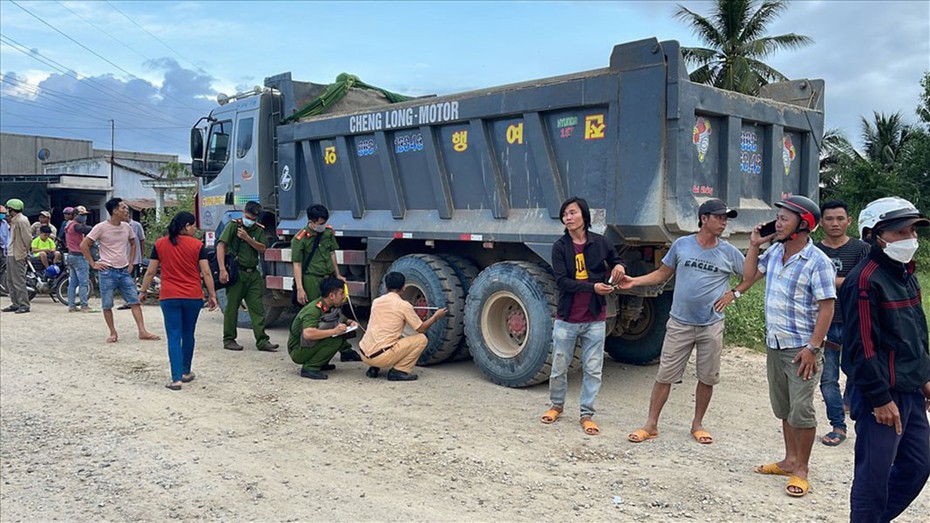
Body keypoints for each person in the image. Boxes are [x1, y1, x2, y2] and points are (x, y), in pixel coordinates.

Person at [619, 198, 746, 445]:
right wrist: (634, 281)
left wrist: (735, 293)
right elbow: (662, 274)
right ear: (704, 219)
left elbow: (752, 274)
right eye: (719, 217)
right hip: (680, 323)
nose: (723, 222)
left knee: (707, 377)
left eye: (725, 218)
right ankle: (651, 424)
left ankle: (697, 425)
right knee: (664, 375)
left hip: (711, 324)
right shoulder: (681, 245)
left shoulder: (729, 252)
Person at [842, 197, 930, 522]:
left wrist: (924, 377)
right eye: (899, 231)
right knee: (873, 479)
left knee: (918, 464)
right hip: (880, 396)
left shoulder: (906, 274)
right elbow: (862, 349)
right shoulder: (864, 281)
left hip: (910, 391)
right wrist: (879, 398)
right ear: (873, 236)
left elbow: (916, 333)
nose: (910, 238)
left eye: (912, 230)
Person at [742, 195, 836, 498]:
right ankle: (788, 459)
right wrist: (755, 245)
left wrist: (813, 347)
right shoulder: (775, 253)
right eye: (778, 217)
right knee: (783, 408)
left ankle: (801, 469)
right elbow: (748, 277)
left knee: (802, 411)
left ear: (804, 224)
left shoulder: (817, 261)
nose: (778, 223)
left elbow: (827, 308)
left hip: (801, 349)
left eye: (784, 218)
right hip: (775, 344)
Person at [540, 196, 626, 436]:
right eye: (565, 214)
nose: (568, 218)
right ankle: (557, 405)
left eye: (572, 213)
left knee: (593, 368)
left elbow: (616, 260)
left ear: (584, 216)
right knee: (559, 366)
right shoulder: (560, 247)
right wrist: (593, 287)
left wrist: (619, 267)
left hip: (595, 317)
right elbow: (562, 282)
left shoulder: (601, 242)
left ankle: (587, 414)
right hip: (567, 318)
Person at [813, 200, 870, 447]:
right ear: (820, 223)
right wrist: (846, 281)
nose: (835, 223)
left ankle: (864, 417)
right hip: (823, 325)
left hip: (856, 323)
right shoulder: (813, 251)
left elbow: (867, 281)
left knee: (860, 373)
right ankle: (838, 425)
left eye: (839, 218)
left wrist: (830, 281)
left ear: (848, 220)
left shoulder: (862, 249)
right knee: (827, 380)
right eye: (829, 219)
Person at [139, 212, 218, 391]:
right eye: (194, 225)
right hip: (192, 296)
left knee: (174, 336)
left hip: (169, 296)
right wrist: (212, 295)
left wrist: (143, 291)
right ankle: (185, 371)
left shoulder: (160, 244)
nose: (195, 229)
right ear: (187, 226)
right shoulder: (198, 245)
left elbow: (151, 272)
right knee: (188, 334)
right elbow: (206, 272)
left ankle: (176, 379)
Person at [80, 197, 159, 343]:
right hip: (107, 271)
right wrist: (93, 263)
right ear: (115, 211)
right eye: (123, 208)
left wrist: (131, 262)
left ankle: (142, 331)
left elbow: (133, 243)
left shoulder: (127, 227)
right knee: (107, 304)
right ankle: (113, 332)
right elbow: (84, 245)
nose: (126, 211)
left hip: (123, 270)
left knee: (134, 301)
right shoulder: (100, 227)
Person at [291, 203, 360, 363]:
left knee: (336, 312)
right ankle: (315, 349)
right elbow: (297, 264)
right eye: (320, 223)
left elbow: (332, 253)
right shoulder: (300, 239)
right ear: (311, 222)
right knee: (321, 314)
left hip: (328, 277)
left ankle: (344, 349)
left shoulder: (327, 232)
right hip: (311, 279)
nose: (322, 226)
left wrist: (338, 274)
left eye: (324, 222)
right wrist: (300, 288)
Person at [359, 271, 448, 381]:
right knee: (421, 339)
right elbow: (421, 328)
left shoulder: (376, 301)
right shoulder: (404, 305)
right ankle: (399, 371)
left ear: (386, 287)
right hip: (382, 357)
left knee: (380, 332)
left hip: (363, 354)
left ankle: (373, 369)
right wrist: (435, 317)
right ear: (404, 287)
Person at [218, 200, 279, 352]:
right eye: (249, 217)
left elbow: (263, 248)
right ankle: (229, 339)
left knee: (257, 308)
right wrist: (222, 269)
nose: (250, 221)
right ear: (244, 213)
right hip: (237, 272)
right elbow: (221, 245)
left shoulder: (258, 230)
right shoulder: (234, 225)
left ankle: (262, 341)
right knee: (232, 307)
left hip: (253, 274)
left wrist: (247, 238)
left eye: (253, 219)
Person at [287, 277, 360, 380]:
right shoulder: (313, 310)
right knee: (336, 340)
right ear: (331, 296)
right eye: (341, 293)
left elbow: (339, 318)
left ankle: (321, 362)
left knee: (338, 335)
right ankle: (310, 368)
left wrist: (350, 322)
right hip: (298, 349)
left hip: (307, 345)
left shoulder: (330, 305)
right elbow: (308, 334)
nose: (344, 296)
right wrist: (334, 331)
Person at [1, 198, 32, 314]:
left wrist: (25, 253)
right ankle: (15, 303)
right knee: (10, 280)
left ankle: (24, 304)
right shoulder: (14, 220)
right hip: (10, 253)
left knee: (18, 281)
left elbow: (27, 239)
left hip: (18, 254)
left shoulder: (22, 220)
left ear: (11, 209)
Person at [65, 206, 94, 312]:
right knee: (83, 282)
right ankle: (84, 305)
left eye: (85, 215)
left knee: (73, 282)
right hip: (79, 256)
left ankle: (72, 306)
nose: (84, 217)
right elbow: (86, 229)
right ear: (75, 215)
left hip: (71, 255)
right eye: (82, 215)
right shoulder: (76, 226)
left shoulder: (68, 225)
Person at [118, 215, 147, 310]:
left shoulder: (136, 225)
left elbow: (142, 240)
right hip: (123, 258)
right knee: (124, 281)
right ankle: (129, 300)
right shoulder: (119, 226)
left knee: (133, 281)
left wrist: (141, 255)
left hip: (134, 258)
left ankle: (133, 301)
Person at [0, 204, 10, 284]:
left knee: (3, 269)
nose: (3, 215)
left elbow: (7, 237)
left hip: (3, 249)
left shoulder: (5, 224)